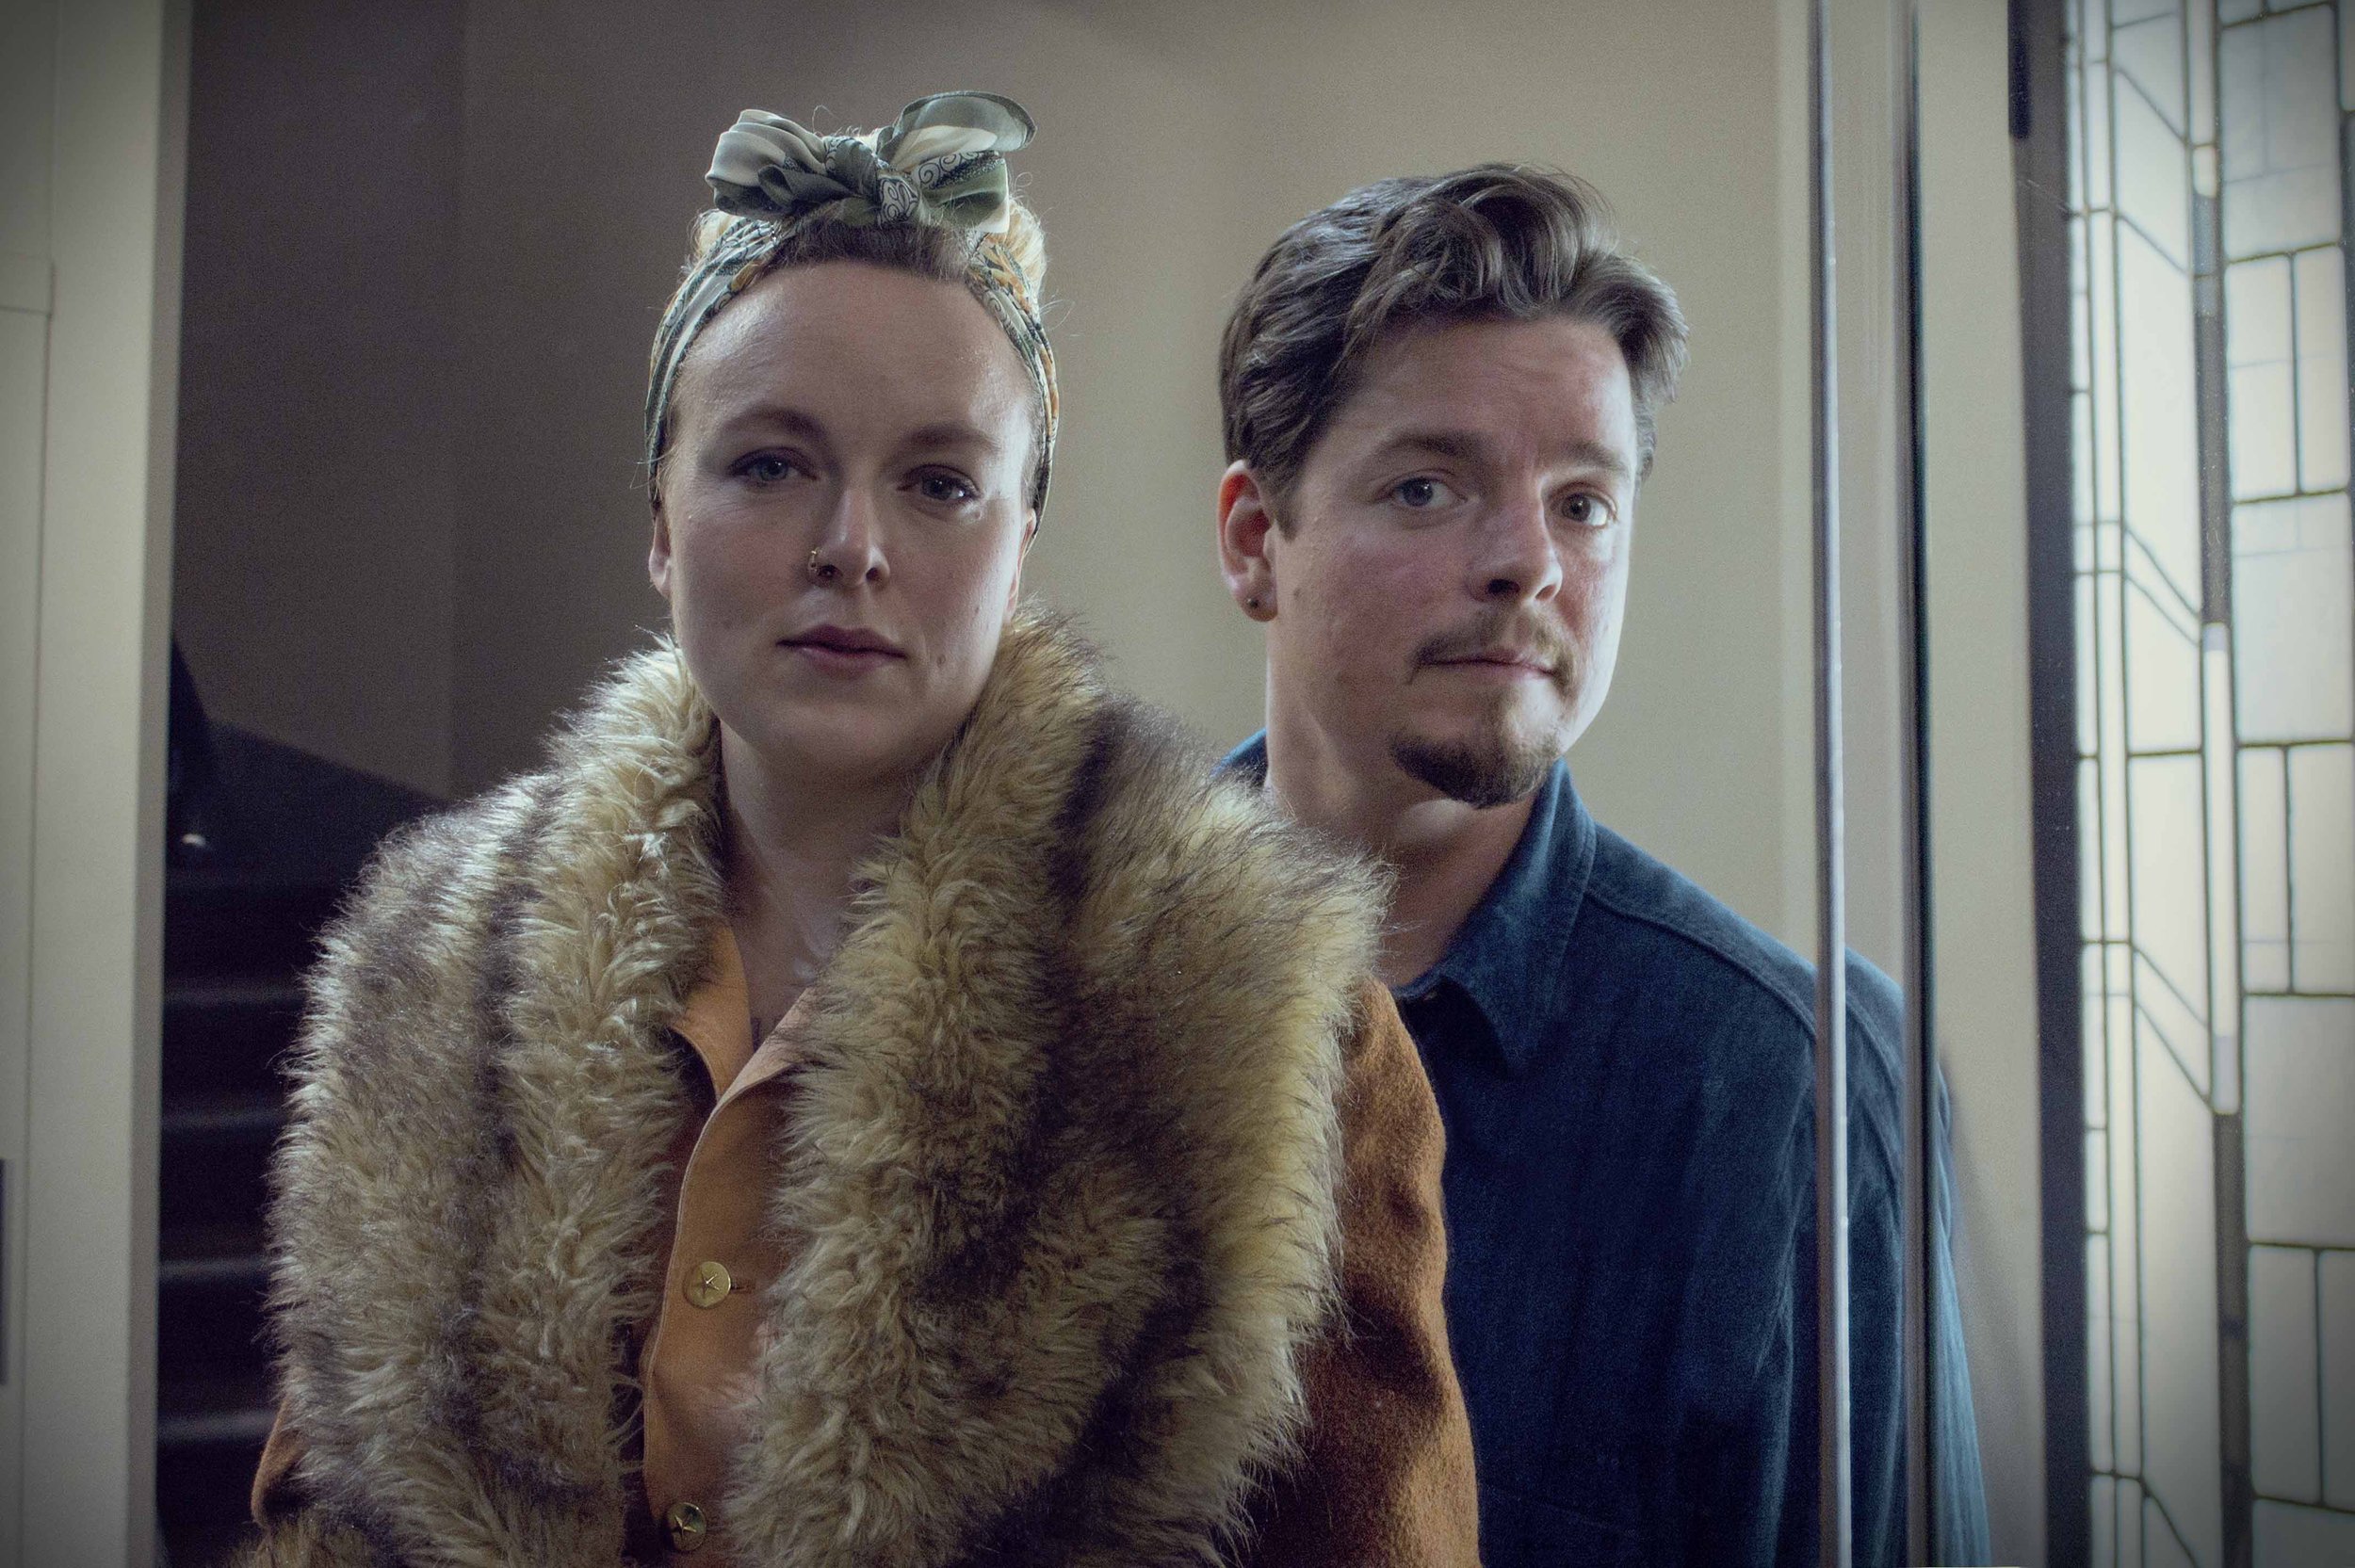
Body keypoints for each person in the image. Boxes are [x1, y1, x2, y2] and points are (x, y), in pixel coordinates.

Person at [241, 93, 1476, 1566]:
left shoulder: (1259, 1019)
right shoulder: (440, 973)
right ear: (660, 520)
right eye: (771, 463)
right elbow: (324, 1506)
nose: (852, 546)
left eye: (940, 484)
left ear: (1020, 548)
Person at [1211, 164, 1991, 1566]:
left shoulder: (1784, 1091)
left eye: (1584, 502)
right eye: (1429, 487)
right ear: (1257, 540)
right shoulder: (1043, 979)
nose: (1529, 562)